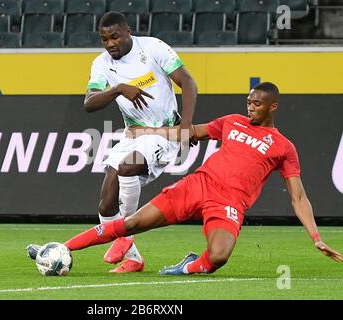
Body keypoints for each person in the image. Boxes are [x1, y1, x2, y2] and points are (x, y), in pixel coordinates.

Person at [53, 82, 343, 275]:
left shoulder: (284, 146)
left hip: (229, 202)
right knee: (132, 224)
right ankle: (62, 248)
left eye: (257, 104)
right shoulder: (232, 122)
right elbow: (189, 133)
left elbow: (298, 196)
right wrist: (144, 133)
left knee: (218, 258)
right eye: (248, 102)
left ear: (273, 107)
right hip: (198, 184)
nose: (250, 108)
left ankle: (187, 267)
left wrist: (315, 237)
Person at [27, 11, 198, 273]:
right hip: (133, 134)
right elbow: (89, 103)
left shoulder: (153, 47)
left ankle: (125, 236)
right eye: (104, 39)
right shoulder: (101, 64)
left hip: (164, 133)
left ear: (127, 31)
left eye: (114, 37)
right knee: (106, 201)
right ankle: (134, 259)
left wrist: (186, 127)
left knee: (128, 167)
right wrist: (118, 88)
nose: (110, 44)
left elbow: (187, 82)